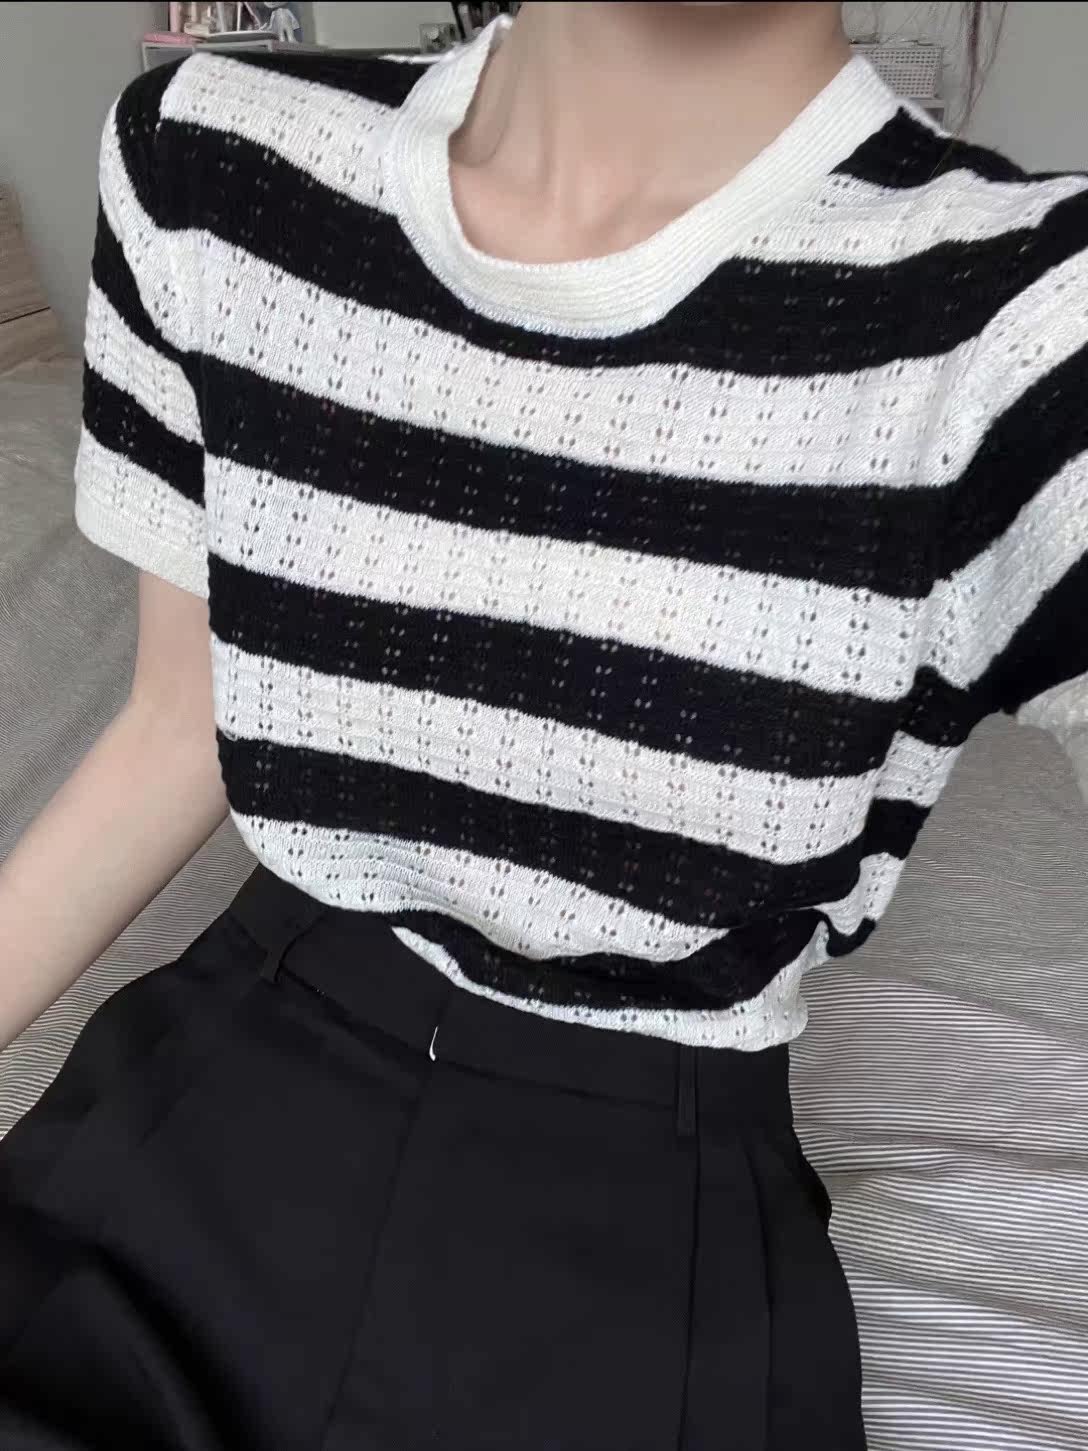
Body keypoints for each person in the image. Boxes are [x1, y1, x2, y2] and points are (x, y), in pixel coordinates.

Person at [0, 1, 1084, 1446]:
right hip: (213, 1094)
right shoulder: (213, 162)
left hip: (646, 1223)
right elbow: (176, 724)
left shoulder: (1023, 316)